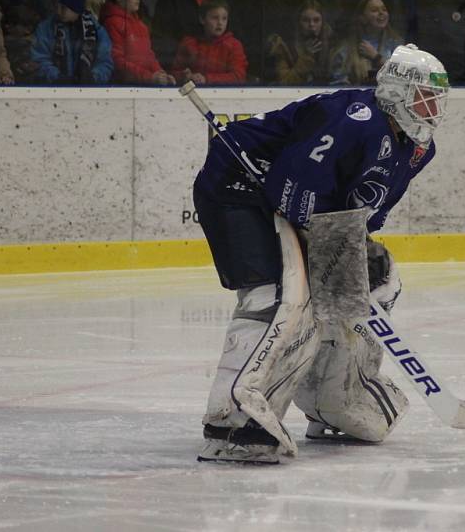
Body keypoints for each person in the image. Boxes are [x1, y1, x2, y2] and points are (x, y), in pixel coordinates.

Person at [192, 43, 450, 464]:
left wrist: (357, 248)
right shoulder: (353, 121)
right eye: (425, 97)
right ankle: (233, 420)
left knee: (377, 285)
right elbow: (292, 193)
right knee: (275, 295)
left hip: (296, 203)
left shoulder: (419, 149)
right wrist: (339, 246)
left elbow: (364, 208)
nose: (433, 109)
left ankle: (338, 402)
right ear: (397, 93)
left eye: (438, 99)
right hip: (237, 189)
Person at [31, 0, 114, 84]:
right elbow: (39, 60)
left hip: (88, 93)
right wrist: (57, 77)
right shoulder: (46, 28)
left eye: (63, 8)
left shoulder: (97, 31)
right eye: (56, 6)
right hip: (53, 91)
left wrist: (93, 77)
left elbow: (105, 62)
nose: (58, 11)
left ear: (76, 8)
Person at [171, 0, 248, 85]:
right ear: (202, 19)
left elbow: (238, 76)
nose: (220, 23)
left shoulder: (234, 45)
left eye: (224, 18)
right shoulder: (189, 43)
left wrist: (206, 79)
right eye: (215, 18)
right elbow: (174, 73)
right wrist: (185, 76)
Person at [100, 0, 176, 85]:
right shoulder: (112, 23)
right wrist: (149, 77)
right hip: (123, 89)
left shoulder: (141, 26)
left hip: (143, 85)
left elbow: (149, 56)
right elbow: (117, 61)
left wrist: (161, 73)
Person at [329, 0, 403, 85]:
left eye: (384, 9)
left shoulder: (397, 46)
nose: (381, 13)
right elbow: (337, 85)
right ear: (362, 18)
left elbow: (403, 77)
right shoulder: (345, 50)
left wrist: (376, 58)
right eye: (374, 10)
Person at [265, 0, 334, 85]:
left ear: (323, 22)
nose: (312, 25)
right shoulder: (284, 47)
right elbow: (284, 82)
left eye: (316, 20)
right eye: (305, 20)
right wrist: (306, 58)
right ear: (298, 22)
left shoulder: (332, 46)